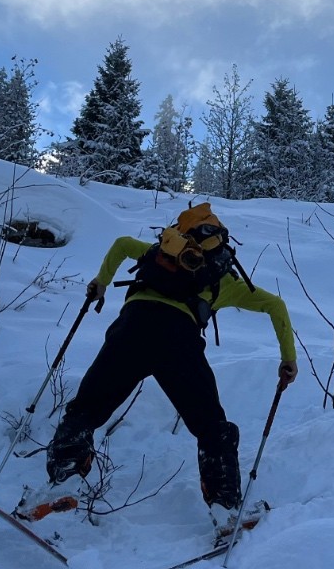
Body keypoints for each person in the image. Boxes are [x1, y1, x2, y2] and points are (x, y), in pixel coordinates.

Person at [44, 204, 299, 533]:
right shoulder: (222, 277)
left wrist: (101, 282)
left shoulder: (157, 254)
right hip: (180, 340)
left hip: (132, 329)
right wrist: (288, 358)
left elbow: (121, 243)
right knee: (210, 426)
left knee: (85, 411)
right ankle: (226, 508)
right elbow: (275, 305)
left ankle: (64, 477)